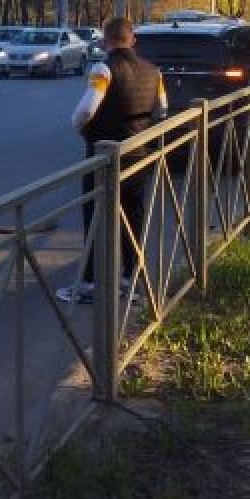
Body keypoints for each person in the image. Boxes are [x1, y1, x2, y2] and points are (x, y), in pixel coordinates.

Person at [58, 16, 167, 303]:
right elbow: (163, 111)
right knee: (134, 215)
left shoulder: (103, 69)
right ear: (133, 39)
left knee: (95, 215)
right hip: (140, 155)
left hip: (104, 158)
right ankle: (132, 281)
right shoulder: (154, 72)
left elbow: (85, 110)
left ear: (105, 41)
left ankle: (91, 285)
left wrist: (84, 132)